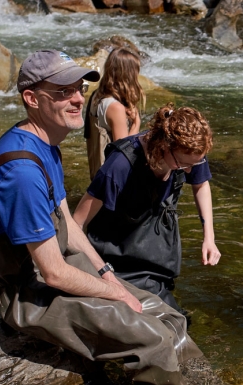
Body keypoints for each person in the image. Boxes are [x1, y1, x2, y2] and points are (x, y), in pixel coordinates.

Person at [0, 50, 202, 385]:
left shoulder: (46, 145)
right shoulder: (21, 172)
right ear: (31, 99)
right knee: (150, 338)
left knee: (165, 314)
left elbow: (70, 228)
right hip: (24, 291)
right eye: (62, 91)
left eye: (78, 88)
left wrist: (107, 274)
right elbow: (54, 273)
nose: (78, 98)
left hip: (49, 266)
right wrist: (118, 295)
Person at [73, 103, 220, 315]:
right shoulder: (120, 165)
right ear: (163, 146)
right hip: (119, 259)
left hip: (157, 257)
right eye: (183, 165)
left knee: (175, 320)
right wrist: (102, 274)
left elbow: (201, 185)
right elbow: (77, 222)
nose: (189, 171)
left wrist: (209, 237)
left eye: (195, 165)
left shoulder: (190, 154)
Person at [85, 47, 145, 180]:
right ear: (128, 75)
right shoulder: (115, 107)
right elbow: (124, 153)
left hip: (99, 173)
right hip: (113, 178)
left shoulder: (96, 96)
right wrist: (136, 124)